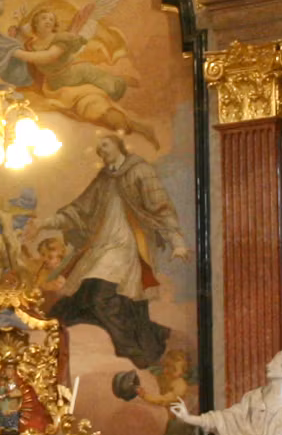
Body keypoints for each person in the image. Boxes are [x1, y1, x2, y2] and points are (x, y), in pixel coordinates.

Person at [41, 136, 187, 369]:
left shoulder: (140, 171)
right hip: (101, 246)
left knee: (100, 297)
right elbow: (78, 210)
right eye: (98, 148)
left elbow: (160, 206)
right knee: (79, 302)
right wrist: (44, 223)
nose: (101, 150)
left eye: (105, 145)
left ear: (119, 146)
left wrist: (176, 240)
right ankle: (148, 337)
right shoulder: (104, 178)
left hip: (126, 246)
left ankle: (134, 351)